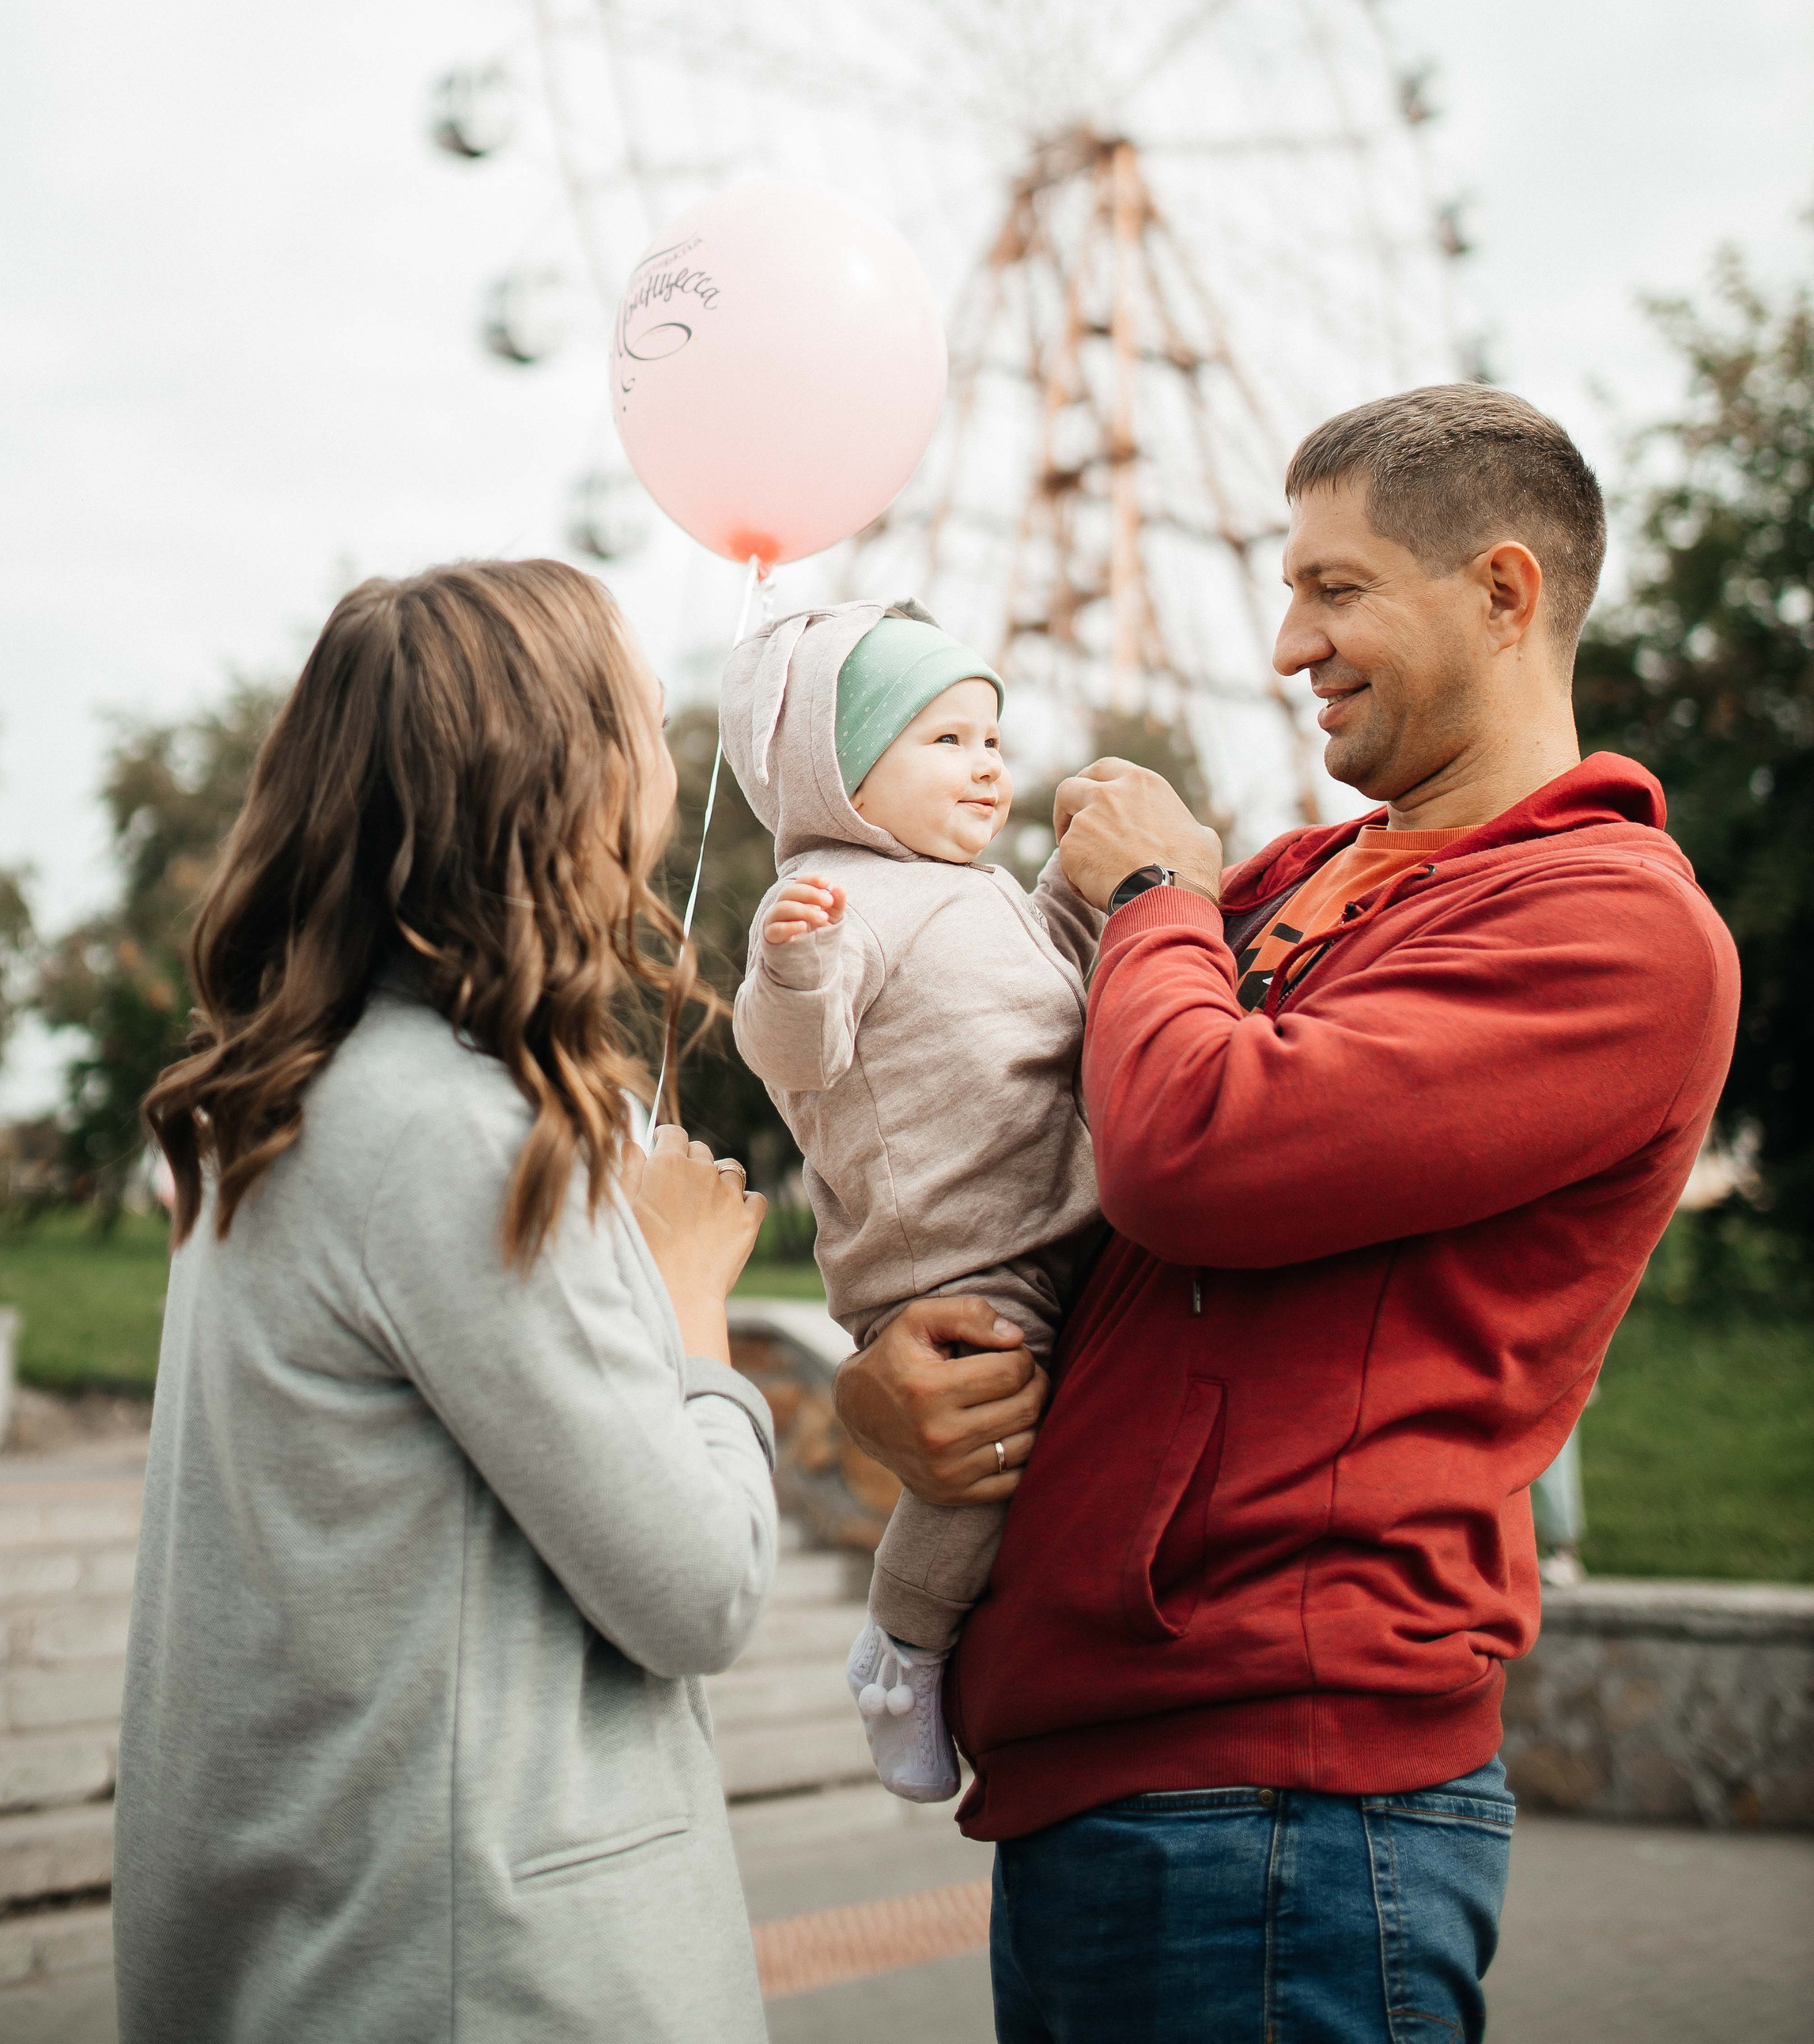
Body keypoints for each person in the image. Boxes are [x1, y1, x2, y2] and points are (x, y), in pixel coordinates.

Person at [835, 386, 1739, 2043]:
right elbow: (1038, 1177)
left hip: (1286, 1805)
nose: (1283, 641)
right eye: (1285, 585)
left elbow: (1196, 1156)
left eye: (1333, 589)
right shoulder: (1273, 892)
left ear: (1501, 590)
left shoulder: (1609, 930)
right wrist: (888, 1369)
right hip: (1090, 1774)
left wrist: (1149, 890)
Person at [112, 561, 778, 2044]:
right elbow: (698, 1586)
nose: (673, 776)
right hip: (487, 1977)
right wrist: (691, 1315)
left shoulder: (284, 1107)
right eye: (654, 729)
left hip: (325, 1946)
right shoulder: (463, 1141)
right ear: (565, 786)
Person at [721, 602, 1103, 1802]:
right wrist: (787, 966)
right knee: (978, 1454)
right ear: (836, 779)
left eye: (993, 737)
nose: (986, 763)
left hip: (1057, 1211)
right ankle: (902, 1646)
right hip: (952, 1259)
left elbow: (1062, 976)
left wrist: (1087, 887)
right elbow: (792, 1050)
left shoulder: (979, 890)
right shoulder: (840, 897)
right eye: (943, 741)